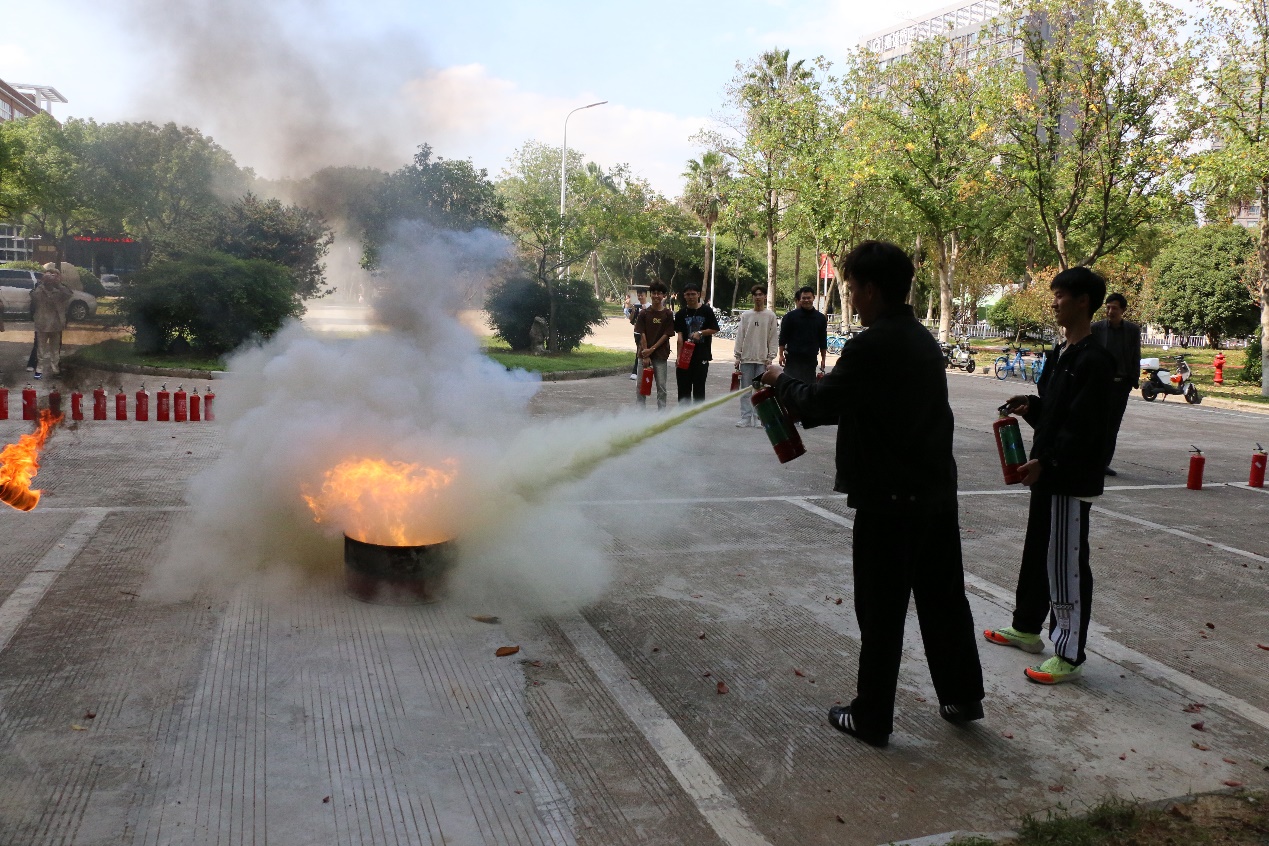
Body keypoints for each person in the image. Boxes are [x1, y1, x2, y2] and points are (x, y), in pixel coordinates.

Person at [760, 241, 984, 748]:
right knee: (943, 598)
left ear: (872, 289)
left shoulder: (872, 344)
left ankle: (872, 717)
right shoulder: (920, 339)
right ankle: (963, 696)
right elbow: (864, 403)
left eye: (854, 288)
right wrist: (817, 391)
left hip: (889, 499)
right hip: (934, 493)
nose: (852, 298)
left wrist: (781, 380)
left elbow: (819, 403)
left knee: (881, 610)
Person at [985, 267, 1115, 685]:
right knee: (1038, 552)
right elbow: (1056, 413)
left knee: (1066, 563)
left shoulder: (1095, 361)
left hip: (1069, 478)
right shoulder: (1061, 354)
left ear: (1083, 301)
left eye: (1061, 295)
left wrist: (1051, 462)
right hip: (1046, 472)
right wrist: (1031, 406)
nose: (1054, 302)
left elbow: (1086, 428)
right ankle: (1026, 627)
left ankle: (1069, 653)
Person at [1091, 293, 1141, 476]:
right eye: (1108, 307)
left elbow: (1136, 355)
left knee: (1112, 426)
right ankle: (1090, 460)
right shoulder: (1096, 329)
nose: (1110, 311)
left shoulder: (1132, 330)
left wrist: (1132, 379)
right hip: (1099, 385)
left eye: (1114, 308)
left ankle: (1103, 463)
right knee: (1096, 424)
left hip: (1121, 385)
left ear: (1123, 310)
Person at [732, 285, 778, 427]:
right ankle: (745, 417)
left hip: (762, 360)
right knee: (745, 390)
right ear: (752, 297)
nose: (758, 297)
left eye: (760, 294)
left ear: (765, 296)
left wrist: (770, 357)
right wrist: (737, 356)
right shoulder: (746, 315)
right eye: (755, 295)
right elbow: (740, 336)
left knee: (760, 390)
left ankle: (759, 418)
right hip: (746, 358)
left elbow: (773, 337)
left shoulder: (770, 316)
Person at [673, 283, 719, 404]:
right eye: (688, 294)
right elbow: (680, 337)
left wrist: (701, 333)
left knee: (699, 390)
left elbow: (714, 329)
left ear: (698, 294)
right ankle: (684, 414)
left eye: (693, 294)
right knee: (683, 390)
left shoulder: (706, 311)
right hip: (685, 357)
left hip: (701, 356)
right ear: (684, 296)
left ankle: (698, 414)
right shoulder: (680, 314)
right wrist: (678, 356)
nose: (691, 297)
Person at [635, 281, 675, 410]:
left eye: (659, 293)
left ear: (664, 296)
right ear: (650, 295)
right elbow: (642, 333)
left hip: (660, 355)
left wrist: (652, 349)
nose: (656, 296)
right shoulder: (644, 313)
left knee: (661, 386)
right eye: (654, 293)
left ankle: (661, 414)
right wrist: (646, 354)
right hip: (644, 355)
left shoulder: (668, 314)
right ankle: (640, 414)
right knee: (641, 386)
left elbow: (666, 335)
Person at [30, 264, 74, 378]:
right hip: (42, 323)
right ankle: (39, 370)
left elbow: (69, 295)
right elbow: (34, 297)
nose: (51, 278)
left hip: (56, 324)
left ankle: (55, 370)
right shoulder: (39, 289)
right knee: (41, 350)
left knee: (55, 349)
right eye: (49, 274)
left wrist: (58, 284)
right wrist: (43, 283)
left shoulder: (60, 290)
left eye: (54, 275)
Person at [779, 286, 828, 384]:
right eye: (804, 298)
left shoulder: (820, 318)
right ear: (800, 299)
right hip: (792, 359)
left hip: (810, 360)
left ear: (813, 298)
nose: (806, 300)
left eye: (808, 298)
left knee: (808, 388)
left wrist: (823, 359)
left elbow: (823, 340)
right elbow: (783, 337)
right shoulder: (790, 317)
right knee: (790, 387)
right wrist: (780, 355)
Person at [626, 288, 649, 380]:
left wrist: (645, 310)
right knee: (640, 350)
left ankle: (637, 371)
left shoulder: (649, 307)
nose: (640, 297)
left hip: (646, 333)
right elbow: (631, 320)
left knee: (641, 350)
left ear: (646, 295)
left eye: (641, 295)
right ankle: (638, 371)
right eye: (638, 295)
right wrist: (633, 310)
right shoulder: (636, 306)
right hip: (637, 333)